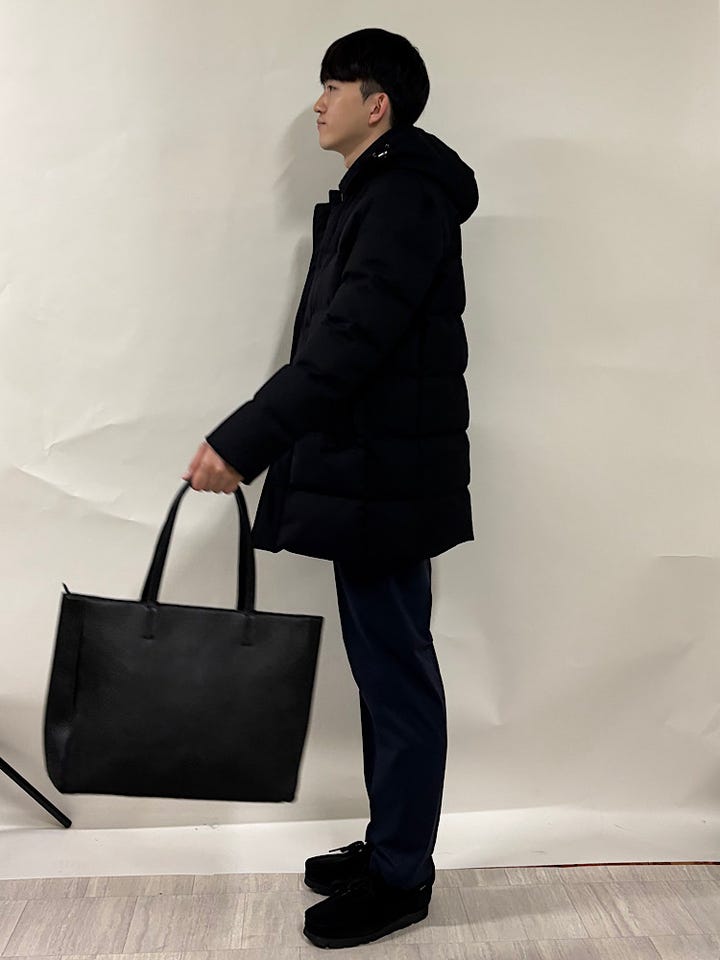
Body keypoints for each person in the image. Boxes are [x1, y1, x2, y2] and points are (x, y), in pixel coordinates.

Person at [183, 27, 478, 950]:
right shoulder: (377, 194)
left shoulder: (401, 198)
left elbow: (347, 345)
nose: (318, 103)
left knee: (397, 677)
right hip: (375, 477)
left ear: (376, 104)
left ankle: (401, 876)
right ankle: (391, 847)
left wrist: (243, 443)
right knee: (385, 671)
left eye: (334, 87)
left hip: (386, 481)